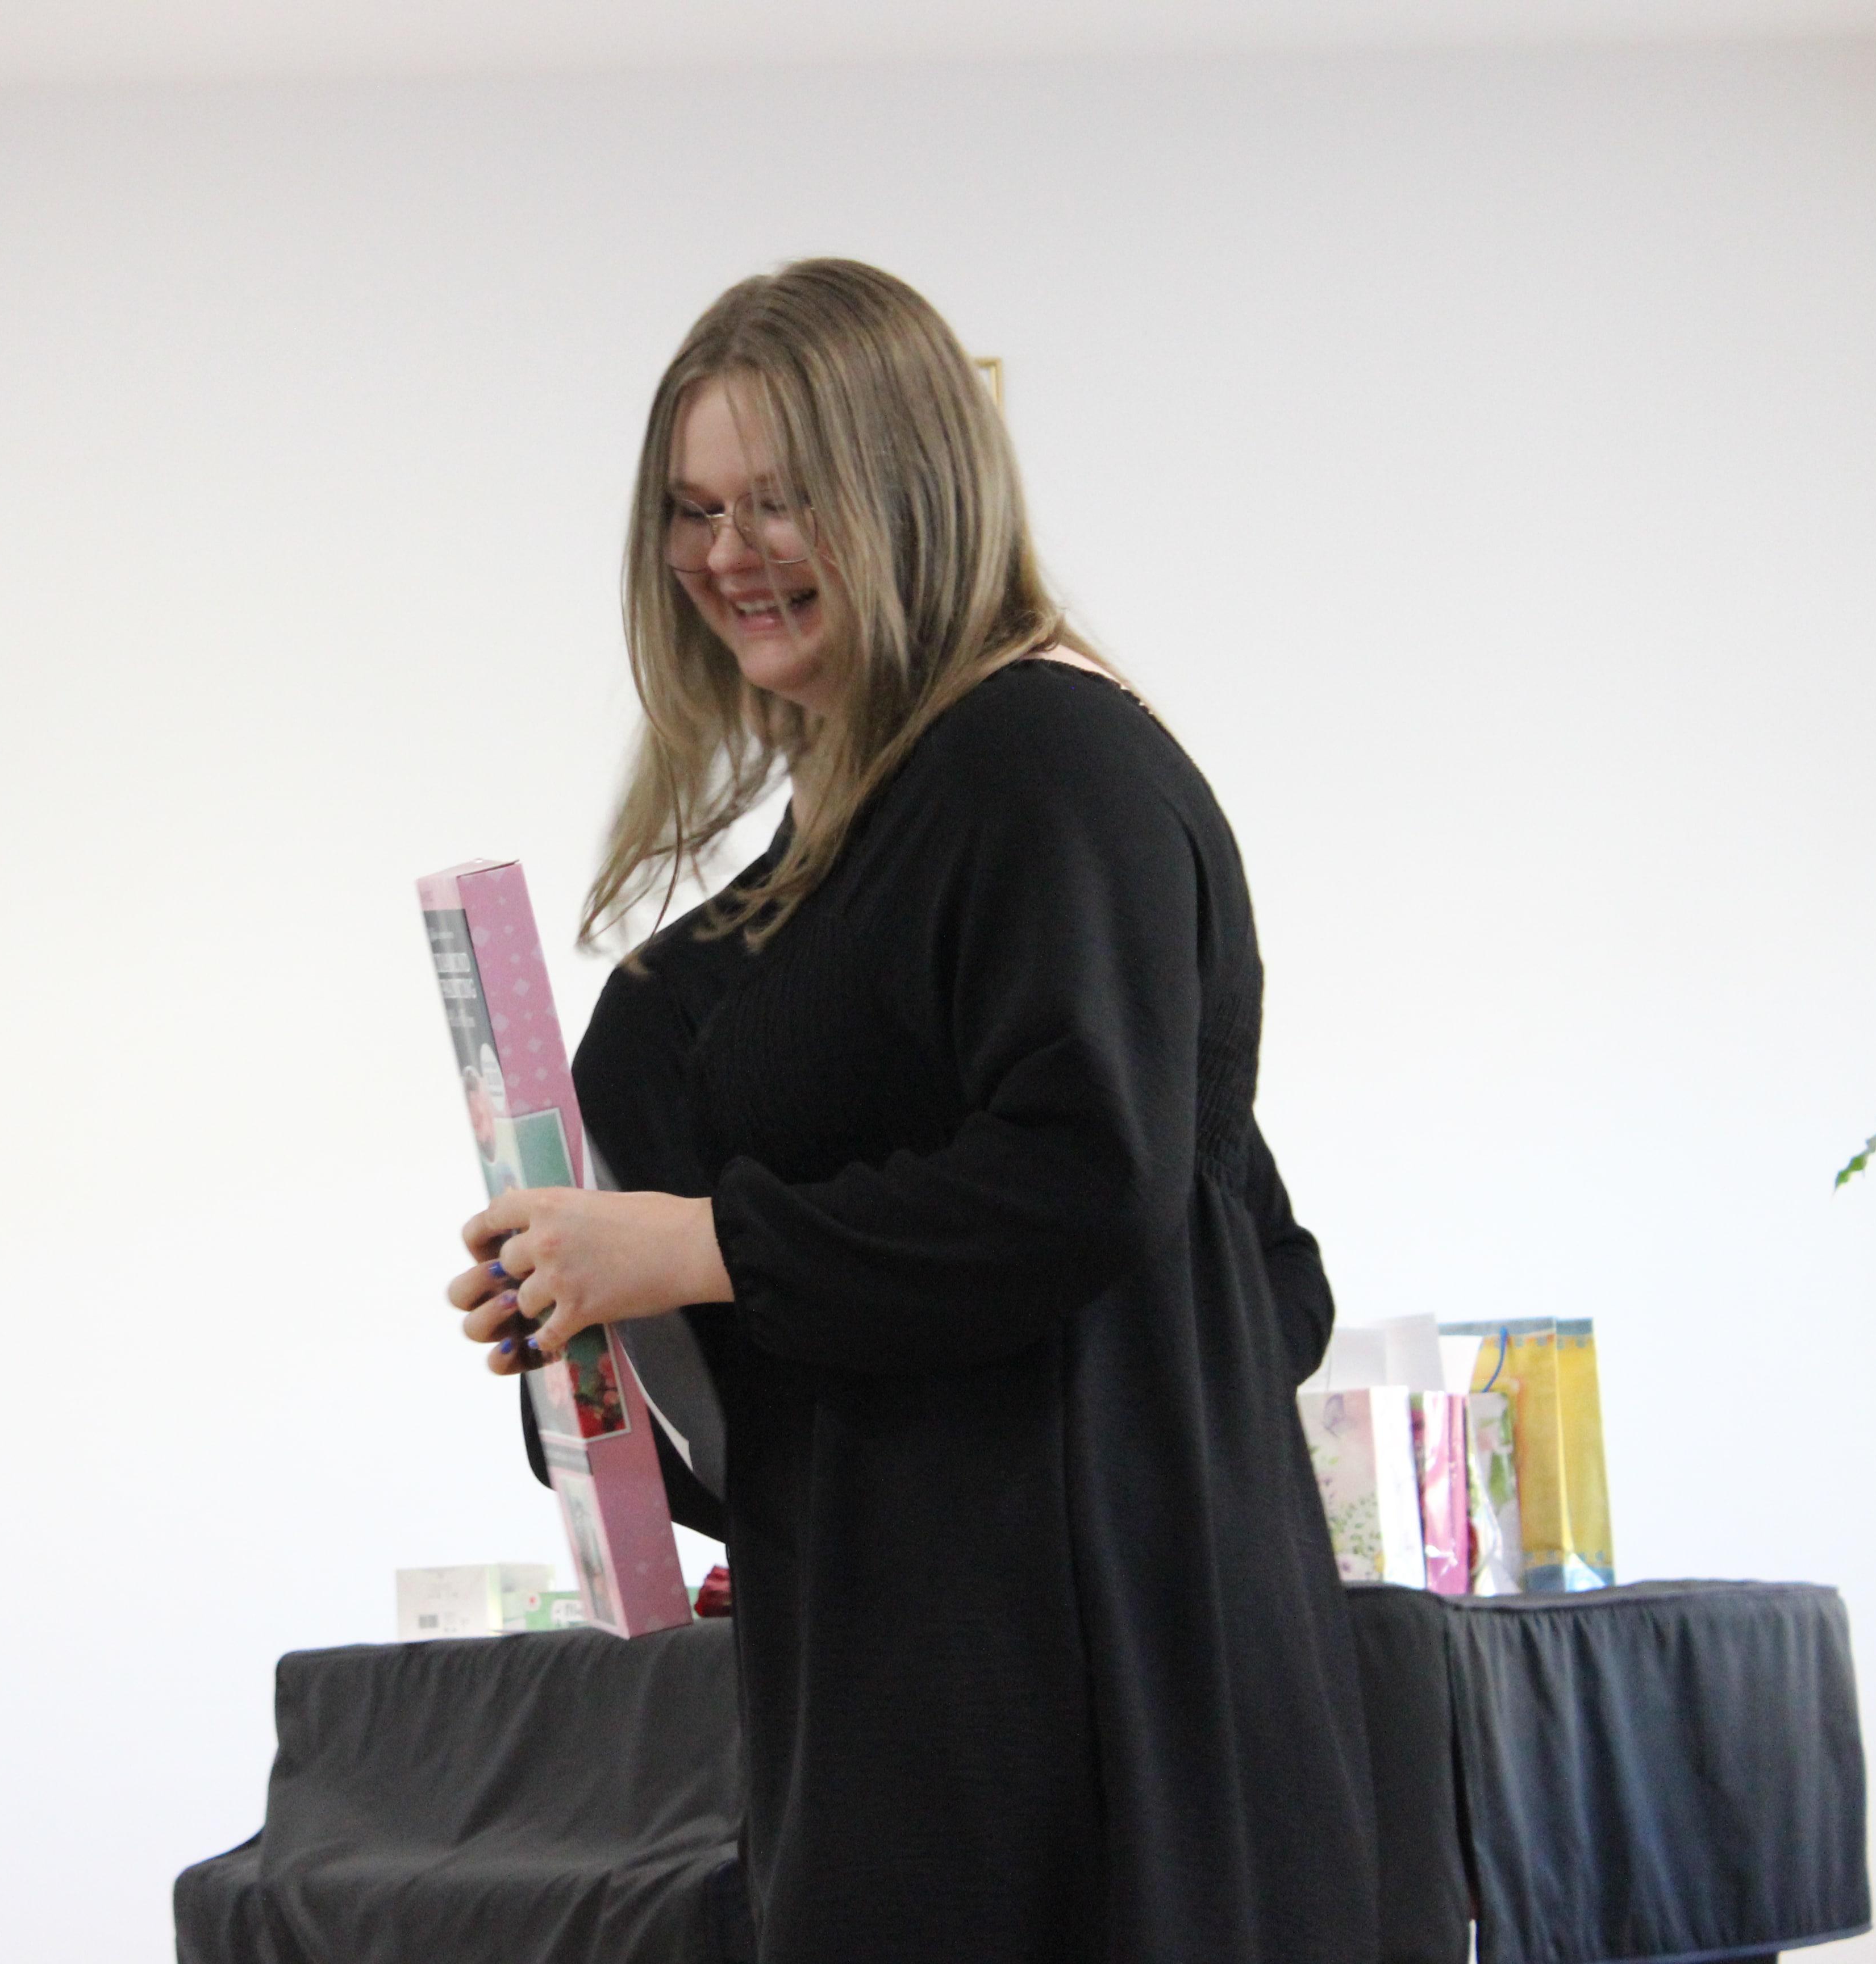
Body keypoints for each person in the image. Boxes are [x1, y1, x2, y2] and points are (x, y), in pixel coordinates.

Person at [443, 260, 1378, 1962]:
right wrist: (592, 1307)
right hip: (912, 1671)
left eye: (780, 499)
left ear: (913, 492)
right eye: (692, 510)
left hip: (1065, 1692)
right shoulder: (843, 850)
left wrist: (703, 1250)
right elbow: (1243, 1251)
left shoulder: (1046, 767)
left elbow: (1101, 1185)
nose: (727, 554)